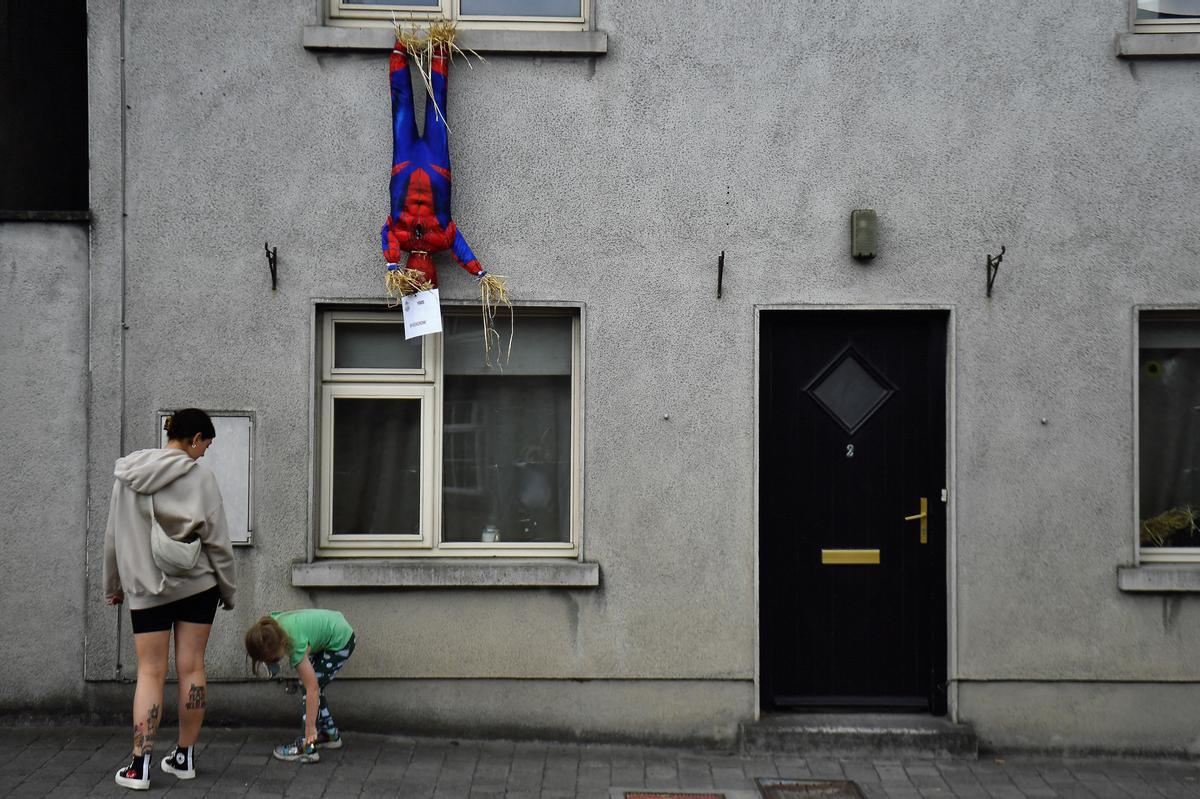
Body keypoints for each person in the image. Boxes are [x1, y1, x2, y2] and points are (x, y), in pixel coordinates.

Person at [102, 408, 237, 790]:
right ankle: (184, 757)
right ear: (194, 439)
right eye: (204, 446)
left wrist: (112, 585)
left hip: (146, 588)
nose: (203, 455)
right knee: (192, 668)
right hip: (198, 587)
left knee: (150, 672)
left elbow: (113, 536)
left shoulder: (127, 475)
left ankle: (140, 766)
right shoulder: (201, 479)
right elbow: (219, 543)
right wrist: (227, 591)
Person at [244, 609, 357, 763]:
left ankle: (308, 747)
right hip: (333, 625)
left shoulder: (295, 645)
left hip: (341, 641)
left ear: (283, 644)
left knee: (310, 689)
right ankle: (329, 734)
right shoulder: (270, 627)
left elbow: (313, 689)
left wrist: (310, 728)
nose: (274, 662)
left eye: (275, 658)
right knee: (312, 684)